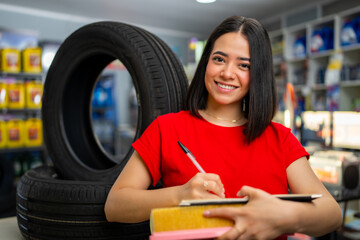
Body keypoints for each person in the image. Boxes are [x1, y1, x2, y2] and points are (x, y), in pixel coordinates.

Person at [104, 16, 342, 239]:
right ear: (206, 62)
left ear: (257, 74)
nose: (227, 73)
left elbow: (331, 213)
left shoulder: (279, 138)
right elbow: (114, 206)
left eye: (244, 65)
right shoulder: (166, 129)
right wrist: (179, 195)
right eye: (219, 59)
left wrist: (285, 216)